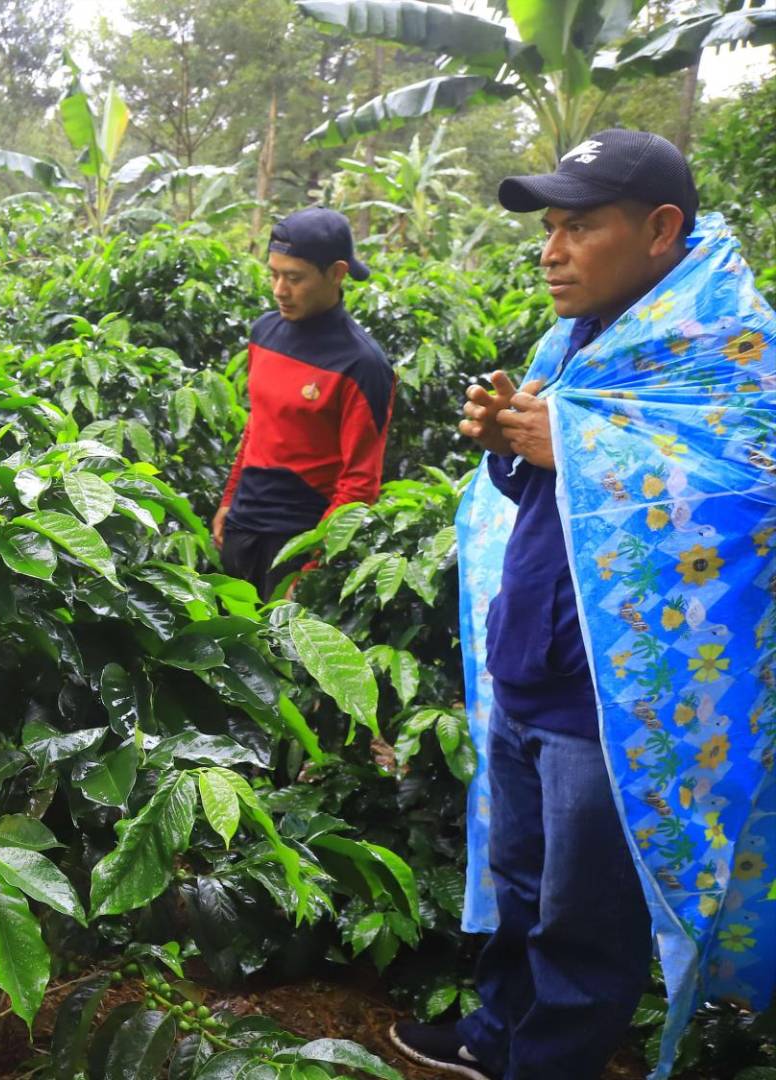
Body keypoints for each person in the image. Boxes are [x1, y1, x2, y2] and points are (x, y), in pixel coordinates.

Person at [395, 130, 776, 1080]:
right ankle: (495, 1035)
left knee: (584, 908)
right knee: (519, 878)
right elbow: (543, 495)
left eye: (577, 227)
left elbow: (753, 492)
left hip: (616, 698)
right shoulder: (579, 339)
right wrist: (509, 441)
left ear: (660, 229)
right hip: (530, 655)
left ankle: (549, 1064)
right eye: (549, 227)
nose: (550, 251)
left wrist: (576, 450)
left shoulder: (731, 346)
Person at [214, 208, 393, 599]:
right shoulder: (264, 332)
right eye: (274, 274)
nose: (279, 290)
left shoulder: (362, 364)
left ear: (337, 273)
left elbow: (360, 482)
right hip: (243, 527)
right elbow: (258, 424)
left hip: (297, 540)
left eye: (294, 278)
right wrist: (229, 501)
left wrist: (313, 567)